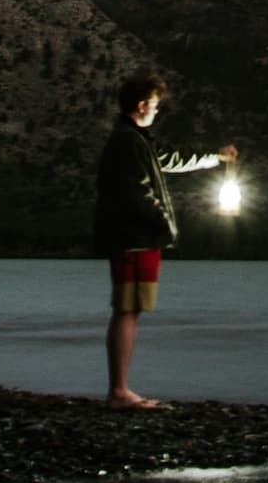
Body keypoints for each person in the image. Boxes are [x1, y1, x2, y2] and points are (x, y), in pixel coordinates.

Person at [93, 73, 236, 410]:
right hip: (134, 238)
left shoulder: (135, 140)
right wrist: (164, 224)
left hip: (135, 237)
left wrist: (215, 157)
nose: (157, 112)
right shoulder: (128, 141)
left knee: (131, 310)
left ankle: (119, 389)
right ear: (142, 106)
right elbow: (136, 191)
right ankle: (119, 392)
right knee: (128, 310)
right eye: (155, 106)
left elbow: (171, 159)